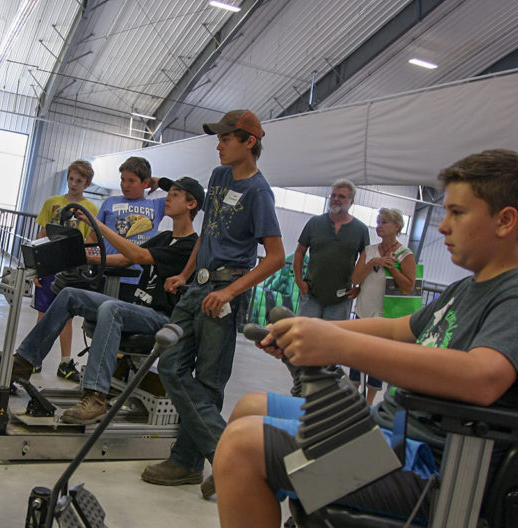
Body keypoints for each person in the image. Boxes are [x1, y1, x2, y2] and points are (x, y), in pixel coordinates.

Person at [213, 148, 518, 527]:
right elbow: (396, 329)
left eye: (457, 213)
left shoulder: (512, 295)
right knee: (251, 407)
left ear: (505, 221)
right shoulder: (464, 289)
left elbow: (484, 377)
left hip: (431, 466)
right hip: (391, 432)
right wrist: (310, 331)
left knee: (241, 449)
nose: (443, 226)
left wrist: (338, 346)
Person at [140, 109, 285, 492]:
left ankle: (186, 462)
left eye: (225, 138)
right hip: (198, 287)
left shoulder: (259, 192)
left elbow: (275, 257)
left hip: (226, 291)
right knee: (170, 364)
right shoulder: (219, 177)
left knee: (208, 380)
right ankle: (226, 457)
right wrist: (186, 274)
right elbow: (209, 233)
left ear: (249, 142)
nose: (218, 146)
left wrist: (230, 292)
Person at [11, 176, 204, 424]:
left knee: (112, 308)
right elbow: (124, 259)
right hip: (138, 309)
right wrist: (82, 257)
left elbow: (137, 255)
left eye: (175, 194)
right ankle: (24, 361)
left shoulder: (189, 247)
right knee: (70, 294)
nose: (168, 197)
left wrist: (98, 225)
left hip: (160, 318)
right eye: (169, 192)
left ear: (191, 204)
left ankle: (96, 396)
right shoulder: (164, 238)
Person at [30, 159, 98, 382]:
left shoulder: (91, 209)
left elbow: (92, 238)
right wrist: (37, 267)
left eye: (79, 180)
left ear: (87, 184)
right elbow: (42, 234)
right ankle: (34, 357)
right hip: (50, 265)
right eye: (71, 179)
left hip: (71, 269)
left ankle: (65, 361)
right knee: (43, 312)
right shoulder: (52, 203)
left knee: (66, 315)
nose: (74, 184)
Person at [350, 207, 417, 404]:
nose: (379, 226)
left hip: (386, 316)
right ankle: (352, 398)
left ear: (397, 226)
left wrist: (392, 269)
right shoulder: (369, 251)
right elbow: (355, 278)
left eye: (384, 223)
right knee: (357, 356)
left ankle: (369, 402)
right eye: (378, 223)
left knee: (377, 360)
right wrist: (373, 262)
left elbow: (409, 287)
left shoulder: (405, 254)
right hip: (363, 310)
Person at [293, 179, 370, 321]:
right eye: (333, 195)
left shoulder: (361, 230)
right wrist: (298, 280)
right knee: (306, 333)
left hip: (341, 298)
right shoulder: (314, 223)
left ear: (351, 202)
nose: (335, 199)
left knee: (332, 335)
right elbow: (299, 252)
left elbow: (365, 259)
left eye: (341, 196)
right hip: (311, 294)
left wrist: (359, 287)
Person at [96, 156, 167, 303]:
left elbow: (184, 191)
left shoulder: (157, 205)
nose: (125, 185)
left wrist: (159, 181)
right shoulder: (110, 202)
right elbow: (93, 236)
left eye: (131, 181)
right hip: (107, 273)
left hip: (138, 278)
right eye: (122, 180)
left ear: (145, 183)